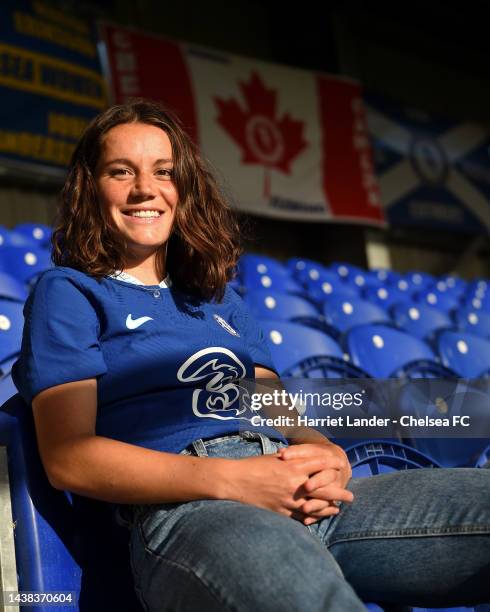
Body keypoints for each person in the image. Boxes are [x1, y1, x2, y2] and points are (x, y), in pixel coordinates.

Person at [12, 99, 490, 612]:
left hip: (293, 488)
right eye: (121, 171)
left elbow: (274, 407)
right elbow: (69, 456)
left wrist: (323, 449)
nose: (144, 189)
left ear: (184, 188)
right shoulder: (68, 292)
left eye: (163, 172)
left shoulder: (218, 298)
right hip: (191, 512)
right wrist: (233, 481)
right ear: (92, 186)